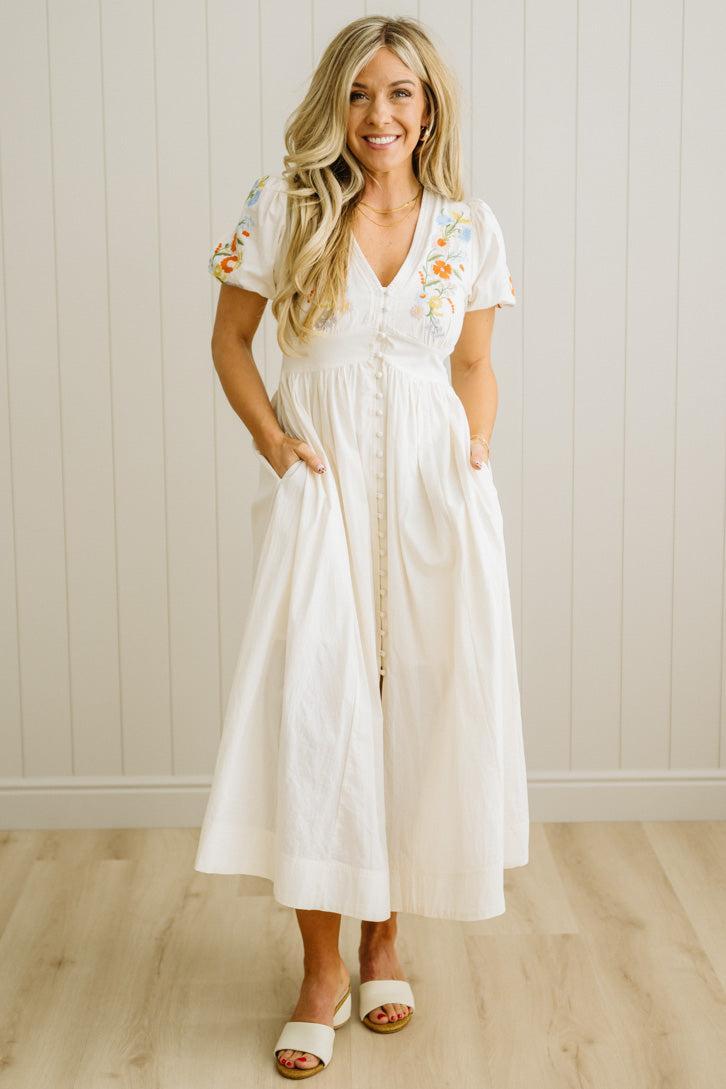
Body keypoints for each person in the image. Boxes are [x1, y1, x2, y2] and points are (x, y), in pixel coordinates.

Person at [195, 14, 529, 1080]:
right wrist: (277, 444)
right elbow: (231, 341)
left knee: (418, 707)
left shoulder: (469, 227)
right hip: (322, 488)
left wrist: (475, 447)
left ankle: (388, 942)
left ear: (430, 108)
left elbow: (474, 363)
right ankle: (322, 969)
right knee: (320, 708)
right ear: (333, 104)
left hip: (438, 499)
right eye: (359, 94)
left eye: (401, 95)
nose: (379, 115)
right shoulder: (284, 206)